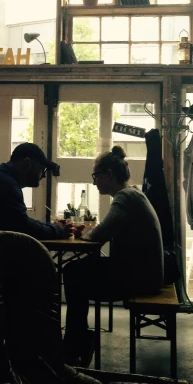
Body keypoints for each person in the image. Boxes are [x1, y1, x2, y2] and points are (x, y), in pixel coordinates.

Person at [63, 146, 164, 367]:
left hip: (138, 279)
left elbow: (100, 234)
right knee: (79, 269)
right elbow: (104, 232)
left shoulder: (124, 198)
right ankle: (77, 340)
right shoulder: (134, 194)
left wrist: (84, 234)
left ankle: (75, 345)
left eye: (96, 176)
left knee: (72, 272)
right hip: (145, 273)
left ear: (108, 174)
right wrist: (90, 234)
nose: (94, 182)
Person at [0, 143, 71, 240]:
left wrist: (54, 226)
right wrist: (57, 230)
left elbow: (20, 221)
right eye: (43, 169)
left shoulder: (2, 180)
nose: (44, 175)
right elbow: (25, 228)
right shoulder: (4, 184)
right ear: (27, 164)